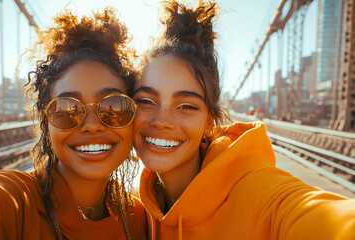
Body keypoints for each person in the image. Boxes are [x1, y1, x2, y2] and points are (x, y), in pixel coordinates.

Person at [132, 1, 355, 239]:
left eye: (187, 106)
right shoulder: (137, 210)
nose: (161, 121)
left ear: (210, 121)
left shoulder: (259, 195)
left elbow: (322, 217)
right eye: (146, 101)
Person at [0, 7, 146, 240]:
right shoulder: (13, 202)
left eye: (113, 107)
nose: (92, 125)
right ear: (46, 123)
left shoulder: (142, 218)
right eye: (67, 110)